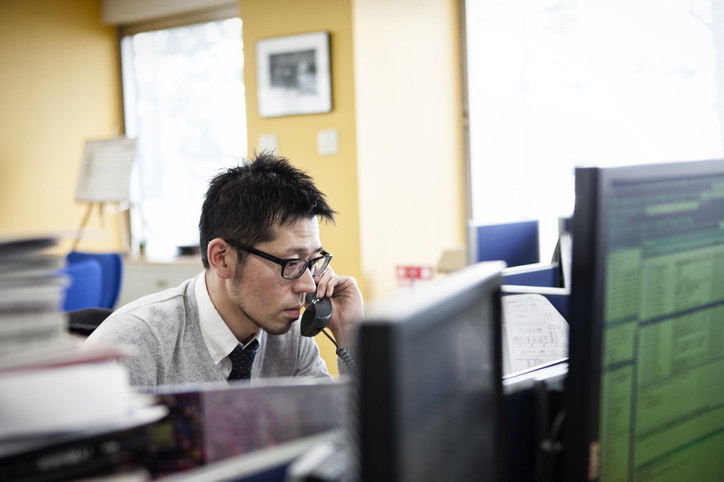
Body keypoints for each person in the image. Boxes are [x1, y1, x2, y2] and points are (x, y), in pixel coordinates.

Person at [86, 153, 364, 388]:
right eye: (291, 262)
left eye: (313, 262)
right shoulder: (132, 346)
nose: (308, 286)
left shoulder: (288, 336)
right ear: (221, 259)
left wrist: (350, 334)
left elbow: (347, 437)